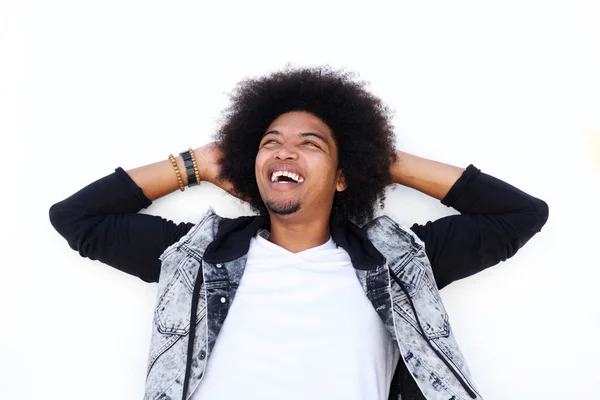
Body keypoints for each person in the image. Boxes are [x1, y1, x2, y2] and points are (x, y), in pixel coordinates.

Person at [49, 66, 549, 400]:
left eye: (310, 144)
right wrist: (196, 164)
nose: (284, 152)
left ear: (342, 174)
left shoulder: (397, 260)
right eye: (270, 144)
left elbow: (518, 215)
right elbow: (77, 219)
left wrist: (382, 160)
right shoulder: (196, 255)